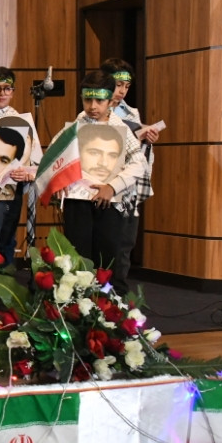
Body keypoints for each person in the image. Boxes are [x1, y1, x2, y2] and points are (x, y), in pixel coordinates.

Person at [53, 71, 146, 284]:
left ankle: (106, 298)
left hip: (110, 202)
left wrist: (112, 187)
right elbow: (53, 156)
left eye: (99, 101)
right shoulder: (75, 127)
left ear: (110, 101)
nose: (93, 106)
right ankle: (78, 297)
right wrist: (59, 179)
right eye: (88, 100)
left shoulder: (120, 128)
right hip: (78, 201)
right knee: (77, 253)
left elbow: (138, 163)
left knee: (108, 253)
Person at [103, 58, 159, 293]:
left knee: (125, 242)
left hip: (129, 187)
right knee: (106, 242)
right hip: (104, 184)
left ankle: (119, 293)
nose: (122, 91)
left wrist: (148, 140)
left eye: (126, 86)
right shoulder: (96, 109)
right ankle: (100, 293)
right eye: (118, 85)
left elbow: (138, 153)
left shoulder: (132, 113)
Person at [0, 68, 41, 261]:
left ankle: (4, 277)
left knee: (7, 238)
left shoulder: (21, 120)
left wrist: (28, 173)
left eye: (7, 88)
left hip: (12, 189)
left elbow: (35, 159)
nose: (2, 93)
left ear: (13, 91)